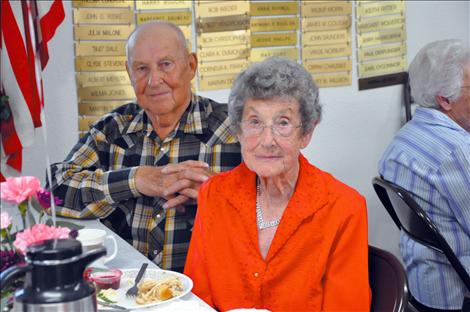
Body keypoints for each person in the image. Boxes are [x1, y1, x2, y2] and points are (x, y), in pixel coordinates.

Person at [49, 21, 241, 272]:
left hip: (207, 297)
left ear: (191, 65)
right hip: (125, 292)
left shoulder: (236, 129)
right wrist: (135, 180)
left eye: (166, 65)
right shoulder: (112, 129)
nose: (153, 80)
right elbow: (53, 191)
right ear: (129, 72)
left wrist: (217, 193)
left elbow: (282, 202)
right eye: (141, 68)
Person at [184, 57, 370, 311]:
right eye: (255, 122)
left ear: (306, 133)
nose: (267, 140)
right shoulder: (214, 195)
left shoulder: (344, 208)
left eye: (282, 123)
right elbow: (196, 300)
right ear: (238, 131)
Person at [379, 39, 470, 311]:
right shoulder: (457, 153)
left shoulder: (400, 143)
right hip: (457, 294)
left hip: (421, 283)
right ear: (445, 99)